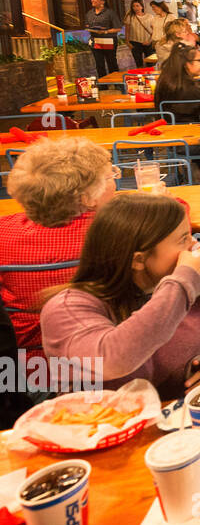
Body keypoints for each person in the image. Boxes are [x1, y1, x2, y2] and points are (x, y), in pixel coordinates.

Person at [40, 194, 200, 400]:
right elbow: (115, 359)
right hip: (101, 430)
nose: (195, 247)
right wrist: (186, 281)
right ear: (138, 260)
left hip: (190, 427)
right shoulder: (66, 309)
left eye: (190, 235)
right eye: (182, 240)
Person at [0, 140, 118, 362]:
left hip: (24, 364)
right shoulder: (114, 233)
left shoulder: (3, 232)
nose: (114, 183)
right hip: (96, 356)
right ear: (87, 198)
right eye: (110, 177)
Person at [154, 46, 200, 122]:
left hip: (166, 130)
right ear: (186, 64)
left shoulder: (165, 83)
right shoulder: (195, 92)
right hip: (197, 132)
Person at [85, 0, 123, 78]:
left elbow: (118, 28)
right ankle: (103, 85)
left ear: (102, 1)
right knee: (99, 64)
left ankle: (117, 82)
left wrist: (105, 32)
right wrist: (89, 28)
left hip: (108, 41)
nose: (92, 0)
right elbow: (87, 25)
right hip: (95, 42)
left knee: (112, 64)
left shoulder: (110, 13)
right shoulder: (89, 13)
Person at [124, 0, 157, 69]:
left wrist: (150, 41)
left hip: (148, 42)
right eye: (133, 6)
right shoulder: (130, 17)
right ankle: (141, 77)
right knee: (139, 63)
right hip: (135, 42)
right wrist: (127, 42)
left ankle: (150, 77)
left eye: (137, 5)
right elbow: (127, 31)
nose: (135, 8)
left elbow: (154, 30)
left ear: (142, 6)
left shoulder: (149, 16)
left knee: (150, 63)